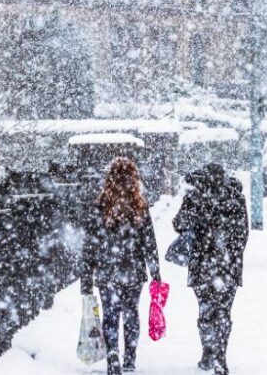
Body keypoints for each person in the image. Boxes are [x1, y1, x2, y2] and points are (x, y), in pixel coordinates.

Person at [80, 157, 161, 375]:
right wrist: (155, 272)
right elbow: (149, 242)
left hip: (108, 270)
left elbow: (90, 246)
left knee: (110, 314)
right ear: (134, 179)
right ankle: (130, 359)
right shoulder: (140, 206)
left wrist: (86, 279)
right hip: (133, 270)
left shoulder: (100, 206)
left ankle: (113, 353)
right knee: (131, 313)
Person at [173, 163, 249, 375]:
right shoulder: (235, 197)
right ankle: (220, 357)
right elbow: (243, 234)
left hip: (201, 264)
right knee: (223, 311)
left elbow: (179, 224)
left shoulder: (194, 196)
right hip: (228, 265)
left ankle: (208, 352)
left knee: (206, 310)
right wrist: (231, 255)